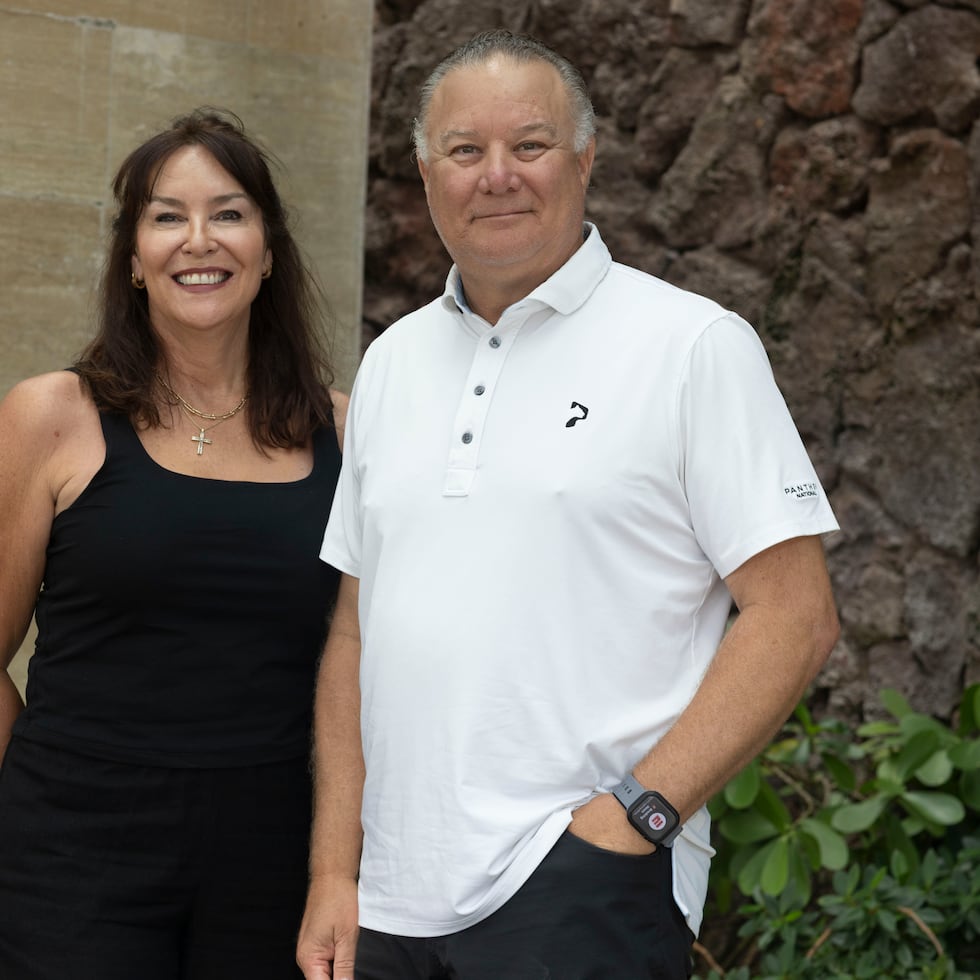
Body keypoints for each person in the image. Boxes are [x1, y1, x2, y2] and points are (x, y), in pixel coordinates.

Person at [297, 30, 840, 980]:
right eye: (465, 150)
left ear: (585, 158)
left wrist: (638, 817)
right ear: (426, 174)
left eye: (531, 145)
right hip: (388, 902)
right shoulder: (391, 363)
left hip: (578, 889)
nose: (497, 175)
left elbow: (795, 614)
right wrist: (335, 869)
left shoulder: (691, 346)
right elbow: (354, 628)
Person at [0, 108, 348, 979]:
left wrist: (336, 868)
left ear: (268, 251)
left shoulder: (349, 432)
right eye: (167, 216)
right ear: (133, 256)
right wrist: (38, 797)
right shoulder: (52, 417)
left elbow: (361, 663)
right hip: (71, 860)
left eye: (229, 213)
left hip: (276, 861)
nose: (200, 240)